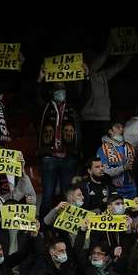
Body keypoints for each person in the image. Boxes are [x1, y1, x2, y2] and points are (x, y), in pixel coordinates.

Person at [37, 81, 81, 217]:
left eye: (63, 89)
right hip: (49, 156)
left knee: (67, 196)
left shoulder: (72, 107)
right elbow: (36, 96)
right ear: (52, 92)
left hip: (68, 156)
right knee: (48, 195)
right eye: (57, 89)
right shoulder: (44, 107)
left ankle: (65, 226)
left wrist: (85, 77)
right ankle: (43, 226)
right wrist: (39, 80)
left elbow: (84, 96)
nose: (61, 92)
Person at [97, 121, 137, 199]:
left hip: (132, 188)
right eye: (118, 127)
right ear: (110, 131)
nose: (122, 129)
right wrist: (123, 168)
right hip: (114, 188)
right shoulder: (103, 149)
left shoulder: (130, 146)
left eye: (122, 127)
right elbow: (104, 171)